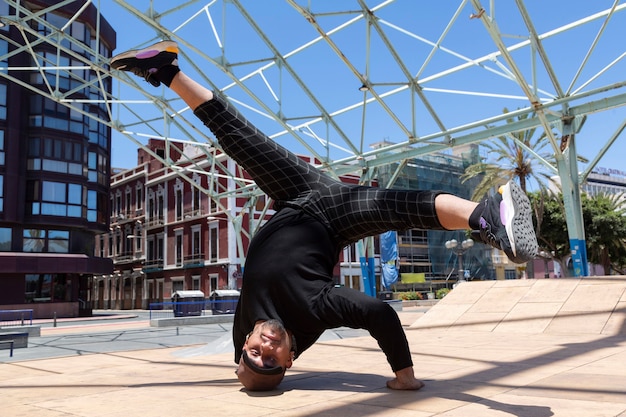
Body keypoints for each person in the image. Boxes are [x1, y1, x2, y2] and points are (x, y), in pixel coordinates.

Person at [111, 41, 538, 391]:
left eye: (254, 352)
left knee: (235, 135)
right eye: (272, 360)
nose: (265, 347)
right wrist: (404, 376)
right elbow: (380, 315)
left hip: (290, 195)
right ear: (291, 359)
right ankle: (487, 219)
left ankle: (165, 69)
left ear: (243, 344)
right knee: (396, 207)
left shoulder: (248, 331)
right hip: (329, 215)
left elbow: (242, 371)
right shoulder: (315, 314)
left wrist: (245, 371)